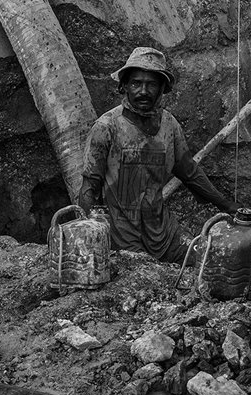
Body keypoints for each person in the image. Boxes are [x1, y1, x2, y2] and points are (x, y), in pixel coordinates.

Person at [78, 46, 234, 261]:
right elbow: (89, 187)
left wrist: (228, 206)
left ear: (162, 88)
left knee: (208, 260)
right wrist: (87, 242)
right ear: (123, 86)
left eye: (151, 84)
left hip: (163, 231)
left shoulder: (169, 125)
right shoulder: (107, 127)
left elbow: (190, 173)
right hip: (121, 236)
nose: (143, 91)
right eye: (136, 83)